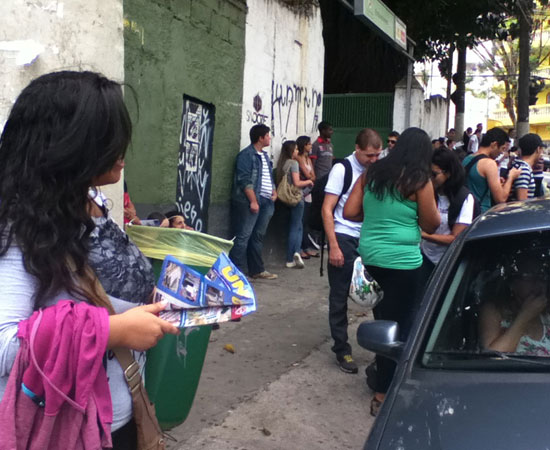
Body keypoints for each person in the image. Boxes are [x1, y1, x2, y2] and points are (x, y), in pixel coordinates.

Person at [0, 71, 179, 447]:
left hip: (120, 414)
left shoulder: (89, 201)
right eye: (108, 139)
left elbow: (107, 286)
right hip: (66, 432)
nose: (122, 152)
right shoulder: (17, 228)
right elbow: (3, 346)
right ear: (69, 146)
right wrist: (114, 332)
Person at [344, 127, 440, 416]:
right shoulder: (420, 181)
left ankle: (383, 374)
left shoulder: (370, 175)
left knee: (383, 320)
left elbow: (349, 212)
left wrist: (374, 216)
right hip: (403, 262)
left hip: (371, 259)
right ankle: (384, 392)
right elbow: (432, 224)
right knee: (399, 327)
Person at [321, 128, 382, 374]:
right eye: (369, 155)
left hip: (369, 239)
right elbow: (327, 210)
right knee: (339, 297)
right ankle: (342, 350)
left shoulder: (377, 170)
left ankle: (382, 350)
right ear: (357, 149)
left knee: (377, 293)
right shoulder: (342, 170)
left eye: (377, 155)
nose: (373, 160)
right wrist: (333, 246)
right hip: (344, 237)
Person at [229, 124, 278, 280]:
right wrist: (253, 201)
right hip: (250, 201)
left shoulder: (264, 156)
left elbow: (269, 177)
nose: (270, 138)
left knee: (258, 236)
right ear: (260, 138)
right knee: (243, 236)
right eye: (268, 135)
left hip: (266, 201)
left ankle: (257, 270)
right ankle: (236, 272)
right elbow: (244, 180)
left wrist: (274, 191)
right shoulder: (246, 155)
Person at [480, 254, 550, 356]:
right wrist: (525, 316)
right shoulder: (494, 310)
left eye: (542, 277)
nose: (537, 282)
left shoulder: (547, 312)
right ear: (512, 284)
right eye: (529, 276)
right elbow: (493, 357)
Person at [421, 148, 476, 274]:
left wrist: (424, 235)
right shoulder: (426, 192)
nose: (430, 178)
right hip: (423, 258)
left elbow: (455, 238)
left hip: (446, 263)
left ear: (448, 173)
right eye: (427, 174)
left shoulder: (464, 198)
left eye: (434, 174)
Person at [462, 127, 521, 213]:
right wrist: (511, 177)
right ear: (494, 144)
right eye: (502, 148)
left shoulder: (467, 159)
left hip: (465, 212)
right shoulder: (489, 164)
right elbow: (501, 199)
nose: (502, 153)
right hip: (479, 214)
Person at [275, 140, 314, 268]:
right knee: (297, 227)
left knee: (292, 225)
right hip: (296, 198)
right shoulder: (294, 163)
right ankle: (294, 253)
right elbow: (297, 183)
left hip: (285, 199)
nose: (298, 151)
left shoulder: (282, 164)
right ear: (292, 151)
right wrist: (308, 182)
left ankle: (290, 258)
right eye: (296, 149)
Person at [295, 135, 319, 259]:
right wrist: (310, 176)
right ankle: (301, 248)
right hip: (302, 192)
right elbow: (307, 174)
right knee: (301, 221)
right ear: (304, 145)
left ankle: (306, 247)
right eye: (309, 144)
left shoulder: (308, 159)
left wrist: (311, 176)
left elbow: (313, 175)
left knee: (306, 222)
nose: (311, 146)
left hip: (309, 192)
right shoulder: (299, 158)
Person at [508, 133, 545, 201]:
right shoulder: (524, 170)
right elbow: (522, 202)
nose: (542, 153)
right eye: (542, 149)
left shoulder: (519, 165)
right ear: (538, 149)